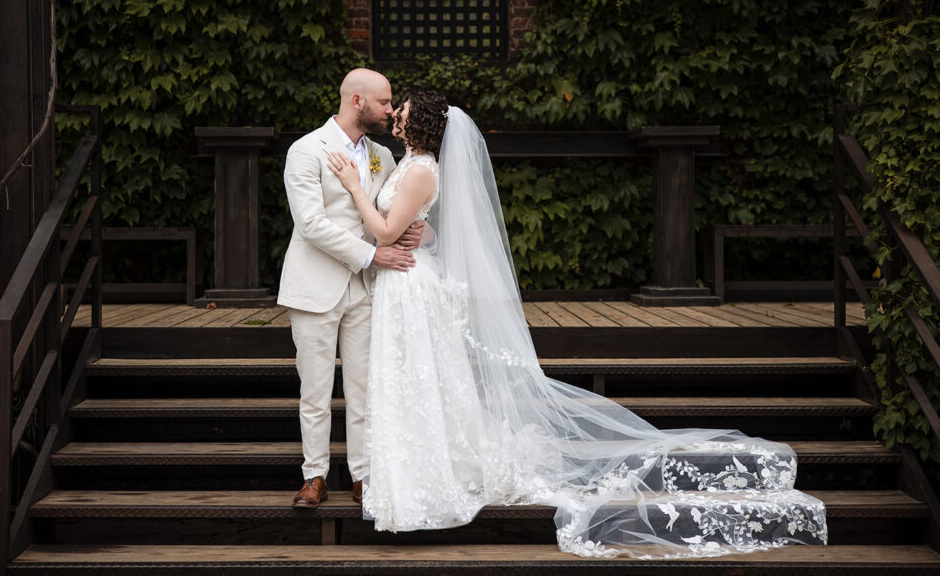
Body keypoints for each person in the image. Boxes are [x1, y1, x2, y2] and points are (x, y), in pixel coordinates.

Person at [325, 89, 829, 558]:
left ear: (423, 121)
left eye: (404, 108)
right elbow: (420, 228)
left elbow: (385, 229)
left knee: (414, 379)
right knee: (409, 382)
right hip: (403, 282)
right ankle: (406, 481)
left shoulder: (421, 169)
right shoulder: (410, 163)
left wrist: (354, 187)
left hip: (409, 287)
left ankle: (423, 485)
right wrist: (419, 230)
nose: (396, 113)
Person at [279, 68, 424, 509]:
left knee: (364, 389)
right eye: (384, 102)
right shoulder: (306, 150)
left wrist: (415, 232)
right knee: (316, 391)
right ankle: (314, 477)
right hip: (314, 285)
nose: (390, 109)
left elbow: (392, 211)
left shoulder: (382, 154)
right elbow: (310, 224)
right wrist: (372, 255)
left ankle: (363, 477)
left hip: (365, 289)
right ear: (357, 101)